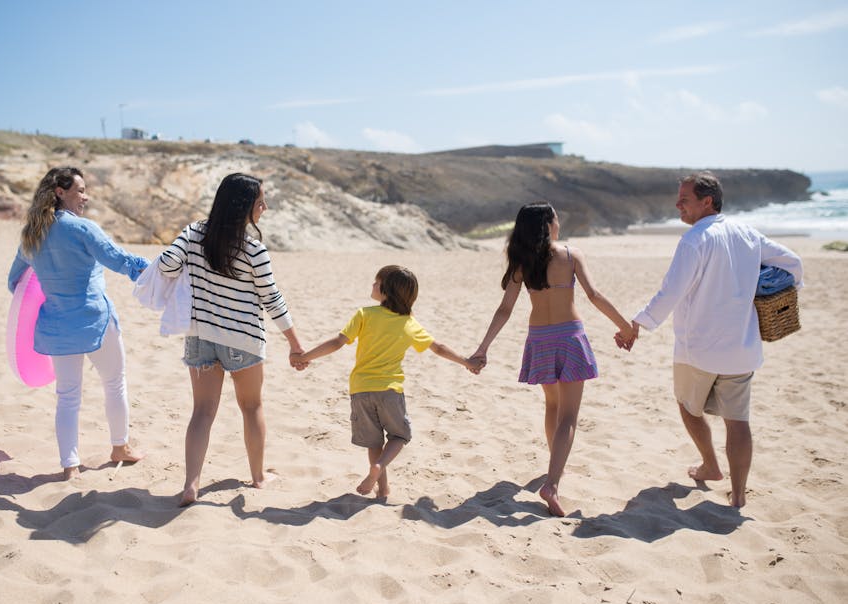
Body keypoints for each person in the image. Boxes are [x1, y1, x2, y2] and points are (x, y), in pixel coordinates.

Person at [627, 172, 803, 508]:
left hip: (699, 349)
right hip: (742, 348)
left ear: (707, 201)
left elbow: (671, 291)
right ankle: (738, 497)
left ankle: (709, 464)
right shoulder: (747, 233)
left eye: (684, 199)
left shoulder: (695, 239)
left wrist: (639, 323)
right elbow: (793, 263)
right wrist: (770, 284)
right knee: (738, 423)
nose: (677, 204)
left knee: (687, 405)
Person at [470, 202, 635, 516]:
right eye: (556, 218)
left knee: (552, 406)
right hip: (569, 337)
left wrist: (483, 347)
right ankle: (552, 484)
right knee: (570, 415)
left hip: (540, 339)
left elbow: (504, 309)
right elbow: (594, 295)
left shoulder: (523, 262)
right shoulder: (571, 255)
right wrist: (625, 327)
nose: (559, 222)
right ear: (548, 224)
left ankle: (553, 464)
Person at [158, 173, 304, 506]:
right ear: (243, 206)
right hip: (243, 340)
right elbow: (272, 300)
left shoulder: (194, 233)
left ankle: (191, 484)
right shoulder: (254, 250)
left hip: (199, 336)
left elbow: (167, 265)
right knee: (251, 407)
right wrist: (295, 343)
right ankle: (258, 477)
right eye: (260, 201)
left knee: (202, 412)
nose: (264, 207)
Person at [7, 166, 148, 480]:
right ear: (60, 192)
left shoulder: (32, 234)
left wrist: (48, 289)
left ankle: (70, 464)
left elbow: (15, 281)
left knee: (68, 395)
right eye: (80, 190)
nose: (86, 196)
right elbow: (120, 261)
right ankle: (119, 448)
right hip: (94, 320)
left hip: (57, 326)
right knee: (114, 383)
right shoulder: (83, 229)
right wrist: (157, 271)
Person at [291, 265, 477, 498]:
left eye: (375, 282)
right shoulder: (408, 323)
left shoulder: (364, 314)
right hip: (390, 390)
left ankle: (382, 488)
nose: (372, 285)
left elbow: (337, 342)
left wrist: (304, 357)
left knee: (374, 442)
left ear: (385, 290)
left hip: (360, 389)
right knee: (399, 436)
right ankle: (378, 471)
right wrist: (466, 362)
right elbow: (438, 348)